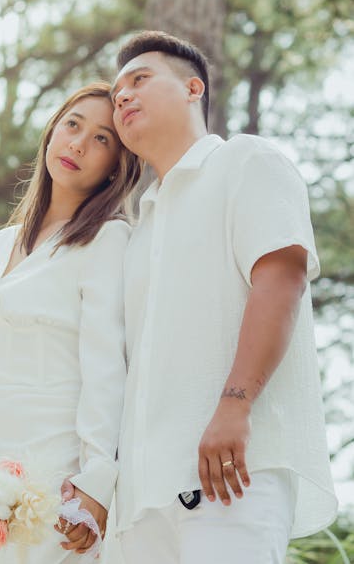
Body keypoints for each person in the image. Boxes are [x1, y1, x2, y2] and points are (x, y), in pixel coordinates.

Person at [108, 31, 337, 563]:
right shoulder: (138, 227)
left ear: (193, 88)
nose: (122, 96)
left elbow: (282, 278)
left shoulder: (245, 160)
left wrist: (236, 403)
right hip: (139, 504)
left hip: (233, 477)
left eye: (139, 79)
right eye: (117, 91)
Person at [0, 83, 142, 563]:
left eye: (102, 139)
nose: (79, 143)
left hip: (60, 486)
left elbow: (106, 369)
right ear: (51, 132)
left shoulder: (109, 239)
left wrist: (96, 481)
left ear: (117, 167)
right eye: (73, 124)